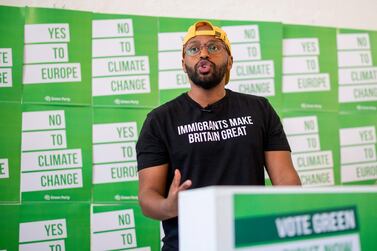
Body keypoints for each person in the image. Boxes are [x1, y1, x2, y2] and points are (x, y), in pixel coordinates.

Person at [136, 20, 301, 251]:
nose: (203, 53)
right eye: (193, 49)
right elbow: (147, 197)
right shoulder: (160, 120)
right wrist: (169, 207)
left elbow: (287, 181)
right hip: (188, 244)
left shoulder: (259, 110)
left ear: (230, 60)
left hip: (250, 242)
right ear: (184, 64)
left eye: (214, 47)